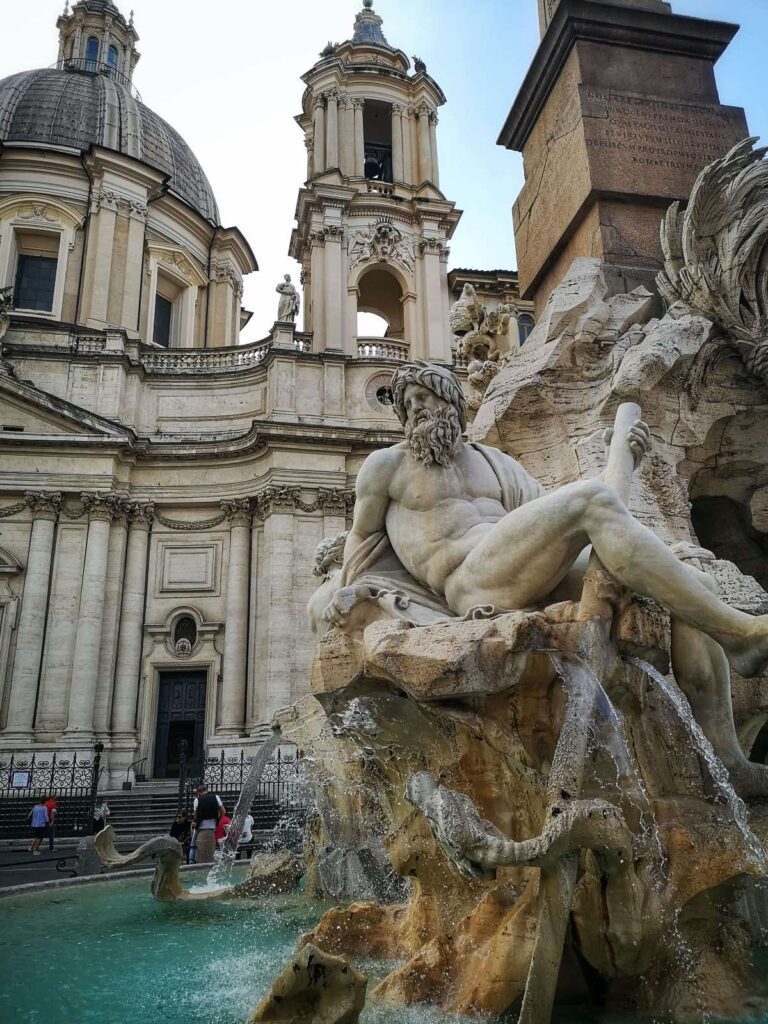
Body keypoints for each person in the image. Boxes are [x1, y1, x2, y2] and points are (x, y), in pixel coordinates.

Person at [324, 361, 768, 795]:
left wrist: (623, 457)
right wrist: (347, 597)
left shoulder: (496, 463)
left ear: (452, 403)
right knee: (590, 499)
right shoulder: (386, 465)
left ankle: (725, 756)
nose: (417, 408)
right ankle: (741, 635)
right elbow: (362, 539)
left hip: (523, 571)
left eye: (426, 396)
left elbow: (590, 514)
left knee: (695, 585)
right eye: (408, 403)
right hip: (469, 581)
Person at [191, 784, 224, 864]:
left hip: (201, 827)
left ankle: (191, 861)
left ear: (198, 792)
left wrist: (195, 821)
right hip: (212, 826)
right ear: (207, 790)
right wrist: (217, 821)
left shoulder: (197, 800)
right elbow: (223, 811)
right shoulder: (216, 797)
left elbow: (195, 815)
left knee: (193, 844)